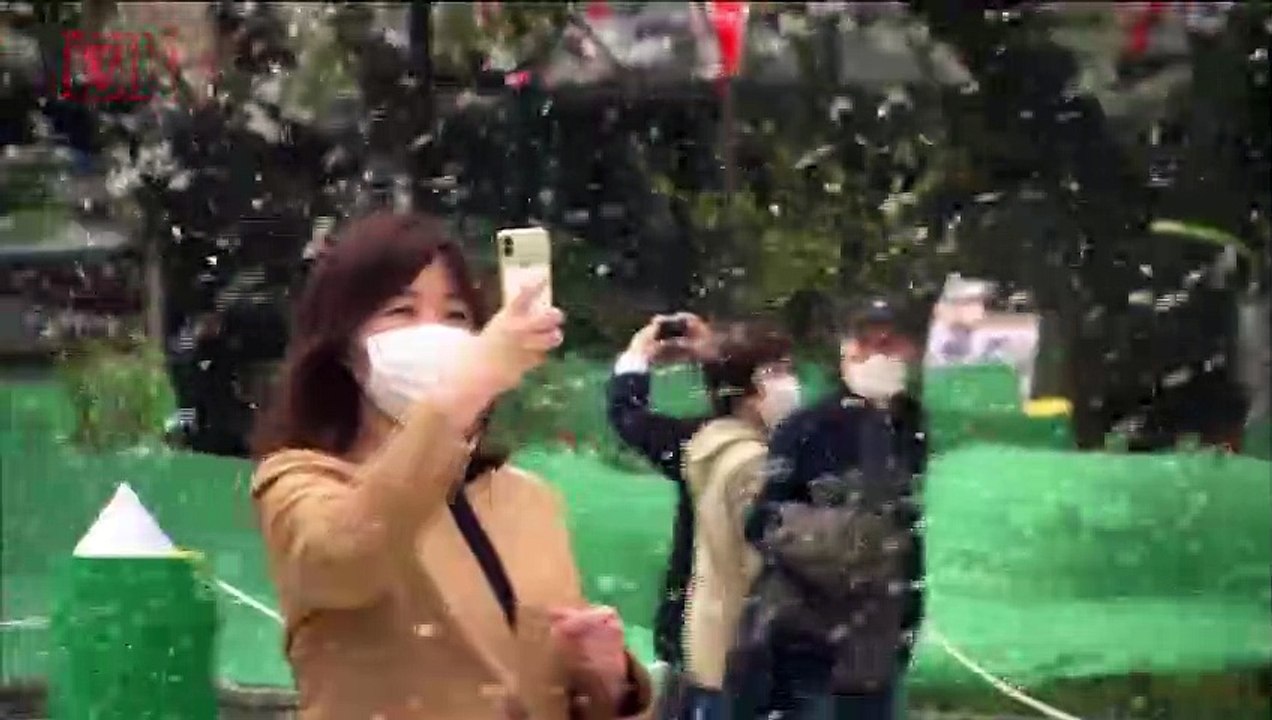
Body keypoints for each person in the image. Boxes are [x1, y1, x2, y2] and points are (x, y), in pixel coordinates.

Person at [249, 212, 652, 720]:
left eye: (457, 316)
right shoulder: (301, 483)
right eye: (401, 310)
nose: (434, 334)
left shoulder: (527, 500)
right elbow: (347, 558)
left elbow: (546, 692)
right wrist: (466, 388)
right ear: (344, 349)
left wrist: (607, 682)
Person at [733, 299, 927, 720]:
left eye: (890, 344)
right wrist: (842, 539)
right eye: (865, 343)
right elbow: (762, 522)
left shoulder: (910, 424)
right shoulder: (807, 426)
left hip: (882, 640)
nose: (878, 355)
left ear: (910, 350)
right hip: (810, 637)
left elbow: (908, 523)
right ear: (845, 350)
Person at [676, 321, 801, 718]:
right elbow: (768, 558)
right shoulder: (754, 463)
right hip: (746, 651)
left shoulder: (714, 446)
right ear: (744, 391)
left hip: (716, 642)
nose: (790, 383)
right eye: (776, 372)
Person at [606, 313, 713, 669]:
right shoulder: (804, 439)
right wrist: (721, 359)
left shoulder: (709, 448)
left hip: (699, 634)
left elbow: (629, 416)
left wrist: (638, 355)